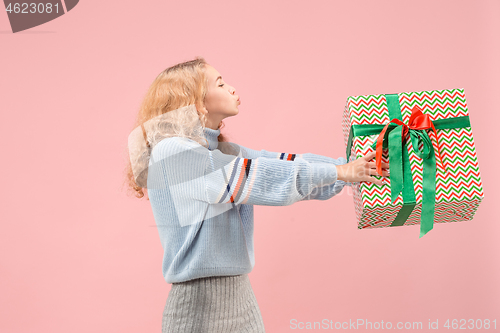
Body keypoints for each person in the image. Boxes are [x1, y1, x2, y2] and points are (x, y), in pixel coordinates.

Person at [124, 57, 389, 333]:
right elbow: (255, 178)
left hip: (241, 298)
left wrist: (354, 165)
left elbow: (283, 162)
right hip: (198, 308)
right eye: (221, 83)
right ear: (196, 99)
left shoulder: (222, 152)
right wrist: (342, 172)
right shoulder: (173, 152)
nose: (232, 89)